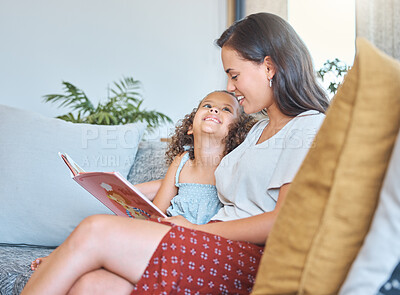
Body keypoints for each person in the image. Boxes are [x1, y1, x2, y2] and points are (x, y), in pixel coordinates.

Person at [21, 12, 329, 295]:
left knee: (94, 229)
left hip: (247, 258)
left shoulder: (308, 127)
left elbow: (286, 221)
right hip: (210, 242)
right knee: (95, 285)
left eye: (234, 75)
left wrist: (197, 229)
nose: (230, 86)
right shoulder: (255, 133)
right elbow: (197, 177)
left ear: (269, 67)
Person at [30, 90, 256, 270]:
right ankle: (60, 257)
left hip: (197, 244)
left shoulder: (231, 166)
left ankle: (62, 259)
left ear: (237, 132)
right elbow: (156, 212)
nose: (214, 109)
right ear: (190, 127)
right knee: (106, 231)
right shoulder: (181, 162)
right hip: (164, 234)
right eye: (207, 105)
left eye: (226, 109)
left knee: (101, 231)